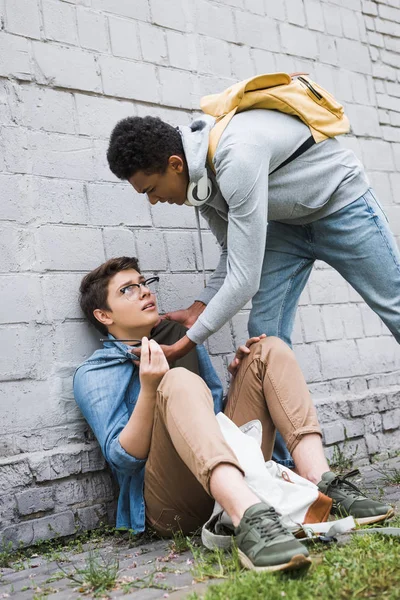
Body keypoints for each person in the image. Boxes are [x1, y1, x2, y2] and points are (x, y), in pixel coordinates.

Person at [106, 111, 400, 466]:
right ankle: (282, 468)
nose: (152, 201)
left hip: (339, 203)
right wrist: (199, 307)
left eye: (151, 189)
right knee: (265, 338)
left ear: (175, 164)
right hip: (284, 225)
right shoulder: (200, 185)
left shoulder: (235, 156)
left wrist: (187, 341)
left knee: (393, 305)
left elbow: (245, 279)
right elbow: (233, 253)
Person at [73, 256, 393, 573]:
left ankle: (320, 480)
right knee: (179, 380)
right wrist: (150, 389)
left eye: (144, 283)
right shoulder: (94, 373)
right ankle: (248, 516)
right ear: (103, 315)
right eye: (128, 290)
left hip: (223, 475)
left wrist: (241, 380)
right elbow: (123, 460)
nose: (145, 292)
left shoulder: (179, 339)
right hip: (171, 505)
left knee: (268, 350)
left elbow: (210, 423)